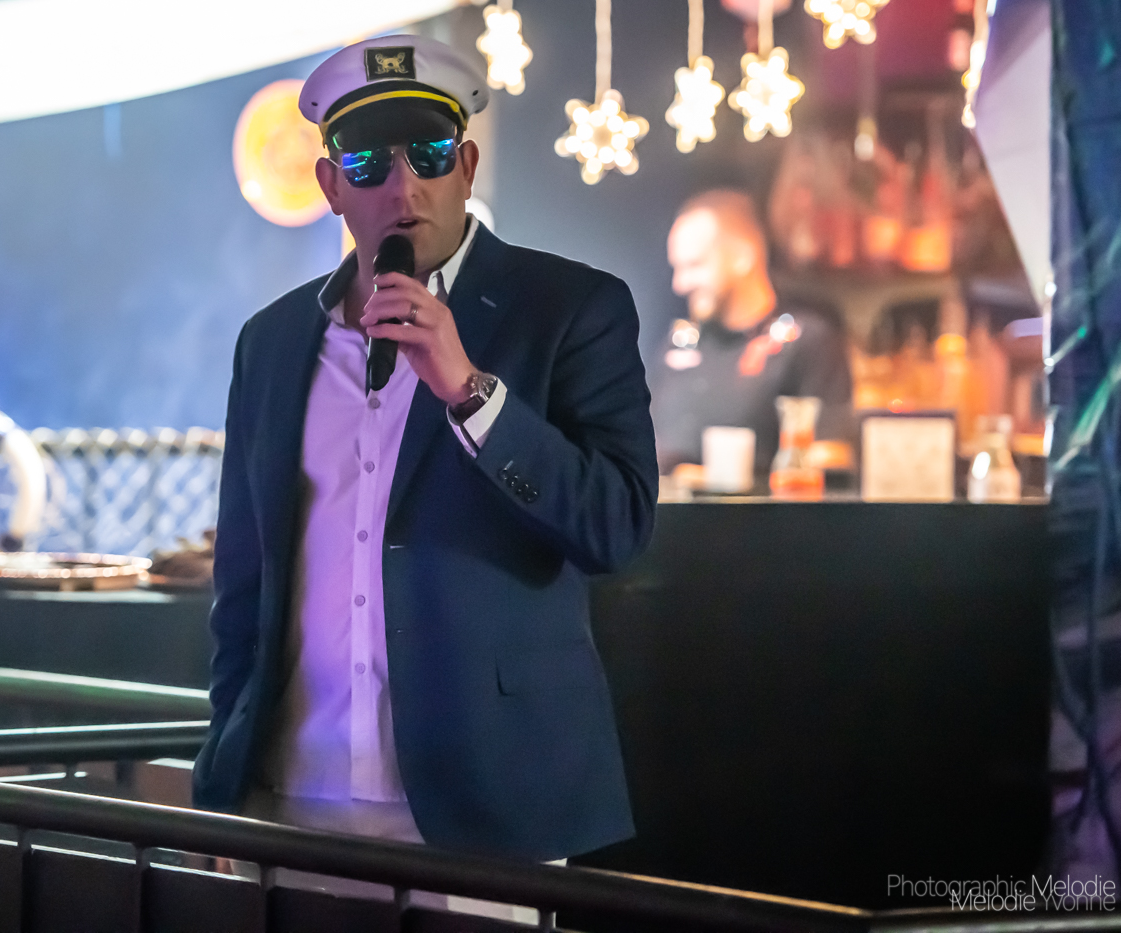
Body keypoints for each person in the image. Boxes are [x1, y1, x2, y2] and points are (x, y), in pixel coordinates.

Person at [192, 35, 659, 867]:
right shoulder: (271, 342)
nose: (403, 187)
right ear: (331, 184)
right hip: (291, 791)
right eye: (368, 163)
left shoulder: (568, 309)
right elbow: (244, 581)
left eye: (431, 155)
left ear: (467, 166)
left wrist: (472, 393)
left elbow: (616, 528)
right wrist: (226, 776)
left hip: (489, 801)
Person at [651, 189, 853, 475]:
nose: (679, 284)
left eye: (695, 265)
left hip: (763, 506)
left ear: (743, 257)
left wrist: (721, 483)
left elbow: (831, 457)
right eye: (677, 268)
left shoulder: (806, 341)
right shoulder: (678, 344)